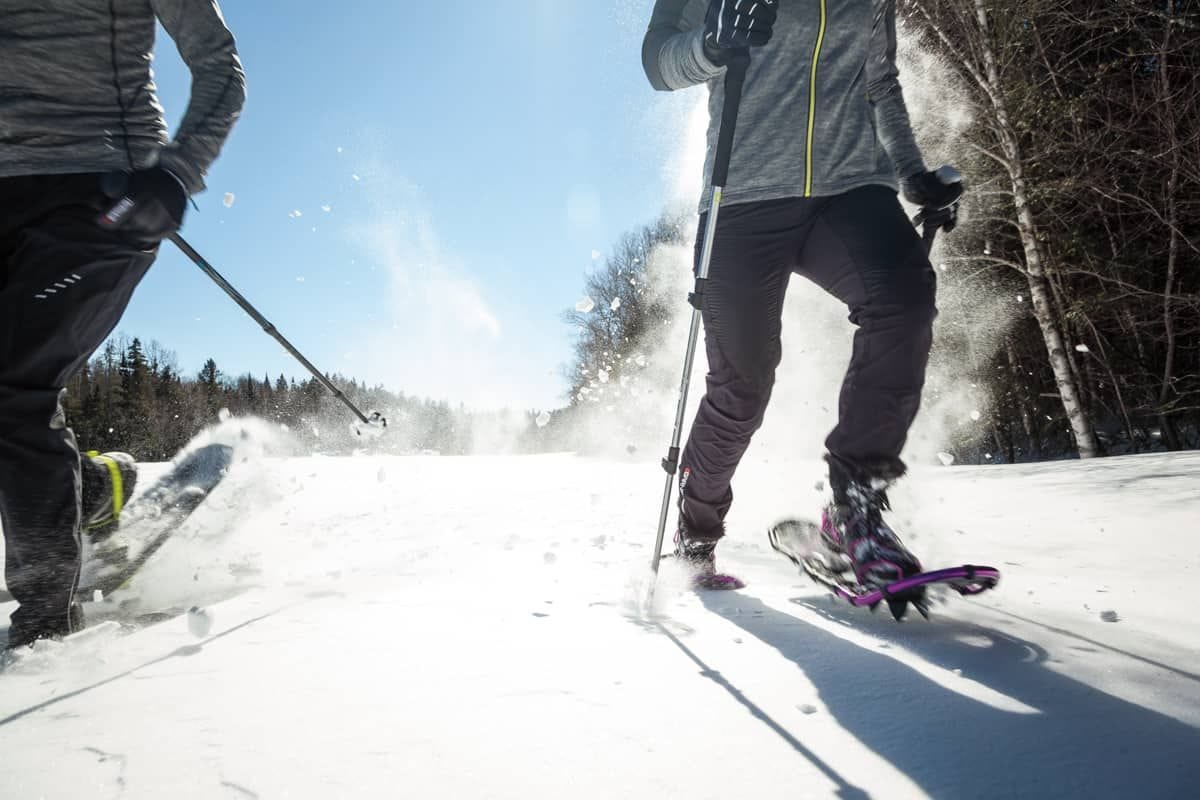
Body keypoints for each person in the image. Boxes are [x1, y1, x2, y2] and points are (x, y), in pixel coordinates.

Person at [643, 0, 962, 602]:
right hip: (743, 198)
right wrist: (712, 44)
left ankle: (855, 508)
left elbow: (879, 81)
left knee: (904, 298)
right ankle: (696, 532)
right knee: (742, 386)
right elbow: (660, 62)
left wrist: (912, 172)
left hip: (851, 188)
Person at [1, 0, 246, 649]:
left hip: (103, 196)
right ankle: (91, 491)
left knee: (13, 391)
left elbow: (219, 64)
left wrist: (177, 170)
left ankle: (45, 629)